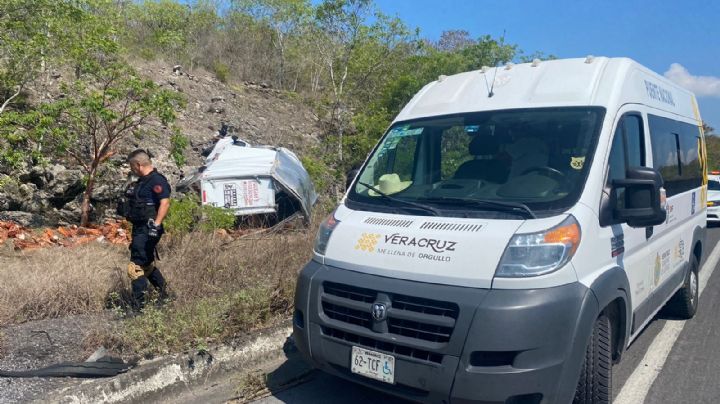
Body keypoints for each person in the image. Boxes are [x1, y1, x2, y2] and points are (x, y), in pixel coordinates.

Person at [120, 149, 171, 310]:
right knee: (146, 264)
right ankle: (166, 296)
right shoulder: (141, 182)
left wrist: (156, 225)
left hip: (149, 229)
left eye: (132, 166)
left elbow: (165, 203)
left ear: (138, 165)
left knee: (135, 267)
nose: (131, 169)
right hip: (139, 228)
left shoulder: (157, 180)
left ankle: (138, 307)